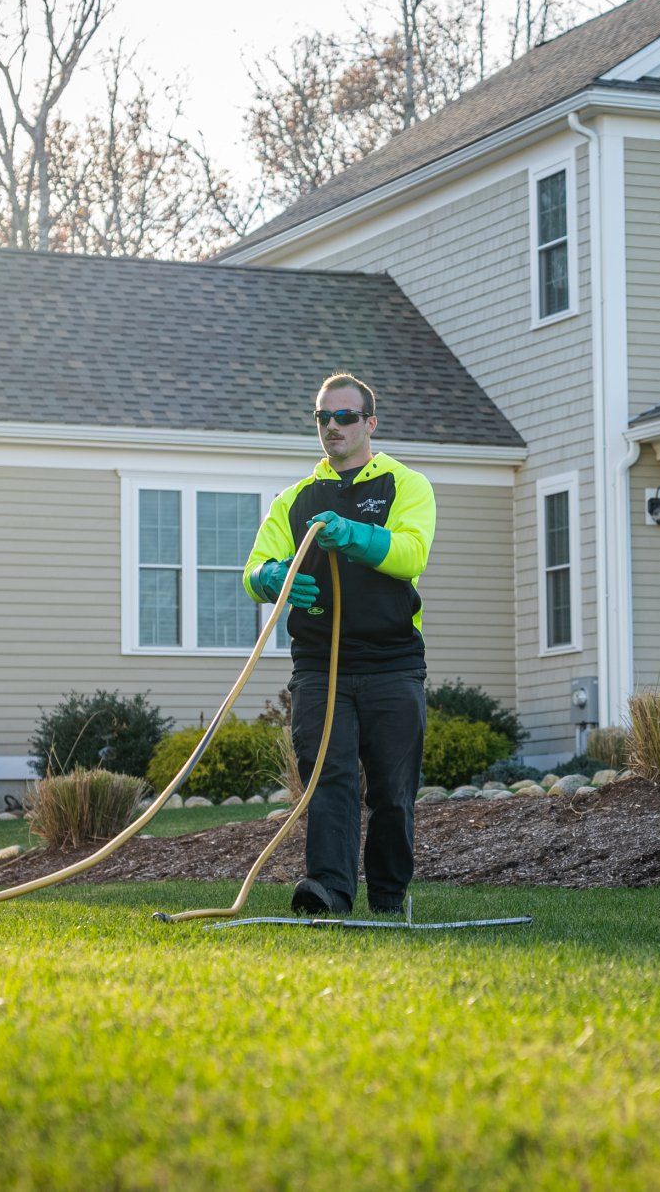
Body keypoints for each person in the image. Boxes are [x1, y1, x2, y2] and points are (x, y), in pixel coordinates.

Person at [242, 372, 437, 915]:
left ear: (369, 422)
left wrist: (354, 535)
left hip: (393, 662)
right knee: (326, 780)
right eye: (323, 418)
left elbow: (411, 554)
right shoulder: (295, 499)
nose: (332, 427)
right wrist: (273, 579)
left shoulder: (405, 485)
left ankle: (391, 895)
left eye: (345, 416)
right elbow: (254, 568)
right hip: (318, 665)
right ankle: (329, 891)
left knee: (393, 794)